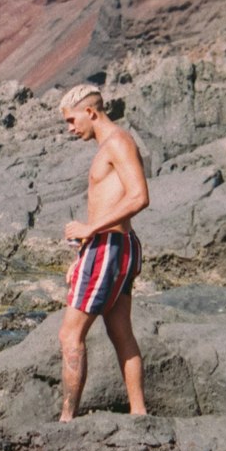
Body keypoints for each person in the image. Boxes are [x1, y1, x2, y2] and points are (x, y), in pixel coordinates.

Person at [57, 83, 149, 420]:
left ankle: (67, 420)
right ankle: (139, 413)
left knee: (70, 334)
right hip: (110, 247)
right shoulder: (110, 144)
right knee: (119, 330)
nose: (70, 129)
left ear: (91, 112)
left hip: (109, 246)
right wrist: (83, 253)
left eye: (71, 120)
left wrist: (90, 231)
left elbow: (139, 196)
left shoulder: (118, 142)